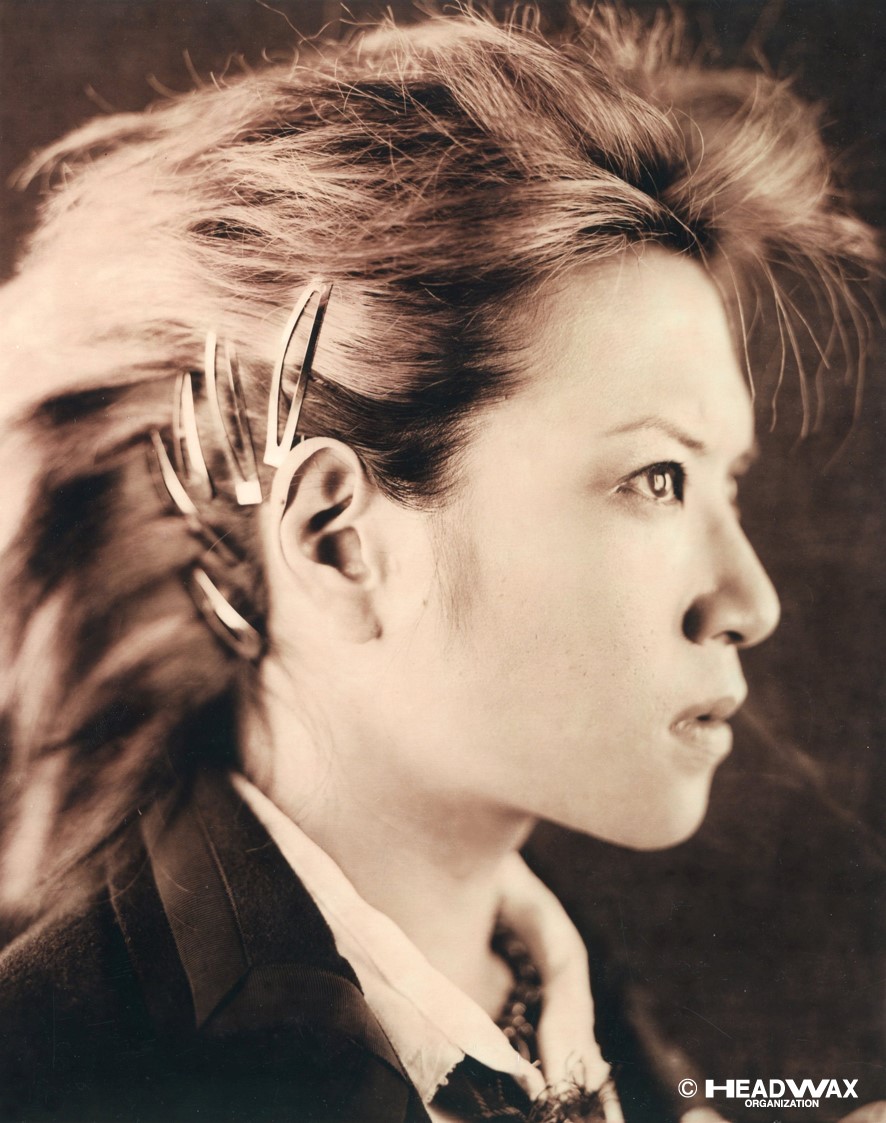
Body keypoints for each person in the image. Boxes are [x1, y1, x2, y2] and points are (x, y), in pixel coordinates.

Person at [0, 6, 878, 1122]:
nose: (748, 601)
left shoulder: (600, 1027)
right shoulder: (49, 1077)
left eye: (725, 483)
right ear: (339, 542)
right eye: (655, 477)